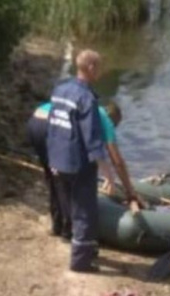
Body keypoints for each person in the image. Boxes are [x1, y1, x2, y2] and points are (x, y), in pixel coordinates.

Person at [46, 49, 112, 273]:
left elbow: (53, 125)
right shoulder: (86, 98)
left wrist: (51, 157)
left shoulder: (60, 90)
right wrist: (107, 172)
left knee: (68, 204)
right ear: (91, 67)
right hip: (77, 162)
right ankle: (81, 261)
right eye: (99, 67)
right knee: (84, 210)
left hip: (57, 157)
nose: (100, 72)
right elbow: (92, 138)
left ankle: (83, 247)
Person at [26, 102, 68, 239]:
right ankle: (67, 229)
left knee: (52, 177)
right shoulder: (98, 116)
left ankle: (57, 225)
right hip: (49, 126)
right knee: (62, 181)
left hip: (34, 123)